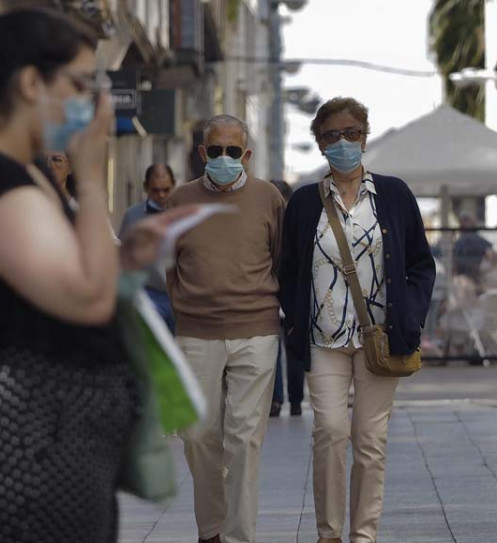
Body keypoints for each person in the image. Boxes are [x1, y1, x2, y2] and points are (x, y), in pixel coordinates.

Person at [0, 7, 190, 542]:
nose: (94, 102)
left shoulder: (23, 175)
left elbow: (82, 279)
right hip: (18, 441)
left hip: (53, 440)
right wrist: (89, 179)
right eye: (82, 83)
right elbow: (85, 298)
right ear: (30, 83)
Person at [279, 97, 436, 543]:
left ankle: (363, 535)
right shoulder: (306, 202)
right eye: (332, 135)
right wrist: (293, 321)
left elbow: (421, 265)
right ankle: (329, 533)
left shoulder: (395, 195)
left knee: (369, 440)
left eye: (351, 133)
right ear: (319, 143)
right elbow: (288, 268)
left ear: (365, 136)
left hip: (381, 339)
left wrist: (412, 318)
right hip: (322, 337)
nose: (343, 143)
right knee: (329, 431)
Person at [168, 114, 285, 543]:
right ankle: (211, 529)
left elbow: (278, 258)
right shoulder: (180, 200)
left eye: (232, 151)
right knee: (197, 436)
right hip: (196, 333)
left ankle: (235, 537)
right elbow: (169, 265)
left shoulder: (268, 197)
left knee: (244, 441)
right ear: (202, 153)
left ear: (246, 154)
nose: (223, 158)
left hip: (255, 331)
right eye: (214, 150)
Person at [120, 164, 178, 331]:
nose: (161, 195)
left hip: (178, 296)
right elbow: (123, 257)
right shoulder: (133, 216)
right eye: (155, 190)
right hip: (148, 294)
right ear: (146, 187)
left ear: (173, 185)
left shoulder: (182, 215)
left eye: (166, 190)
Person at [268, 179, 305, 418]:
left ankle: (295, 400)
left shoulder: (297, 228)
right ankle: (276, 400)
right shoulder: (262, 225)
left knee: (293, 351)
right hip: (268, 297)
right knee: (271, 352)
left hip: (291, 296)